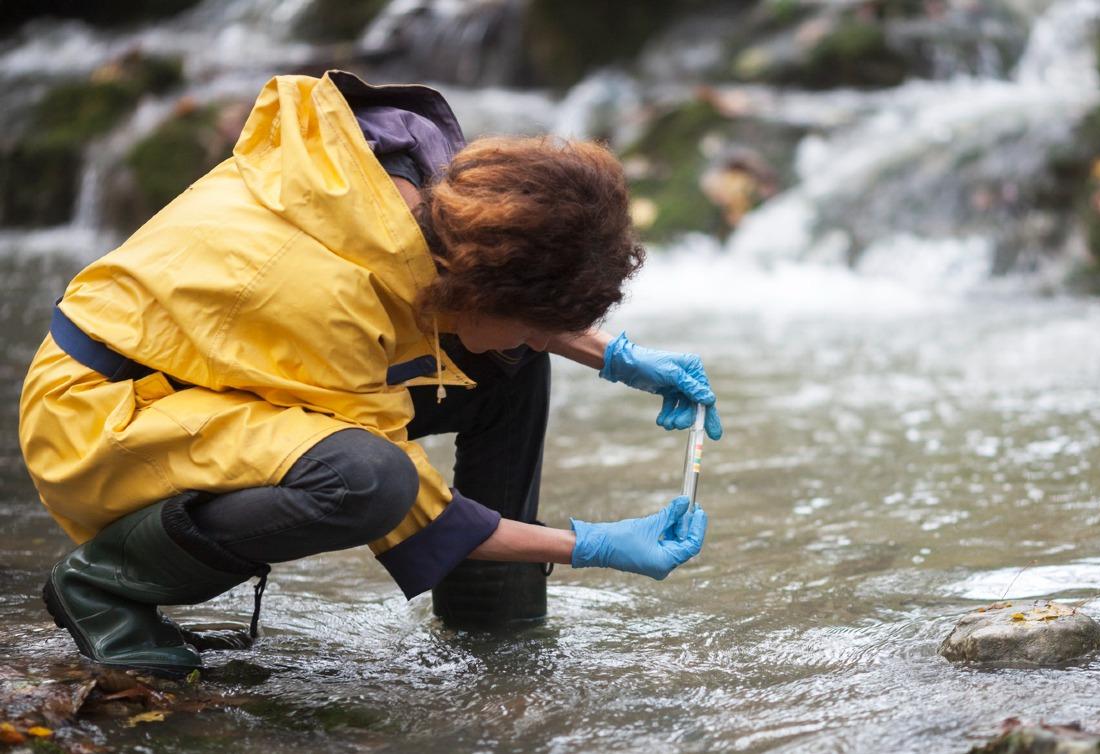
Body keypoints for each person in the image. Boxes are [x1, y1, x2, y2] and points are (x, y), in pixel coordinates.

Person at [17, 70, 723, 677]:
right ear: (478, 289)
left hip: (206, 370)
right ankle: (106, 586)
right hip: (105, 414)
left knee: (511, 363)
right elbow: (417, 511)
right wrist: (593, 545)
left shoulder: (430, 192)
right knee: (368, 480)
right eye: (526, 315)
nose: (539, 332)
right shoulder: (331, 298)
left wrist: (619, 359)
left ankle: (493, 616)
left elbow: (499, 312)